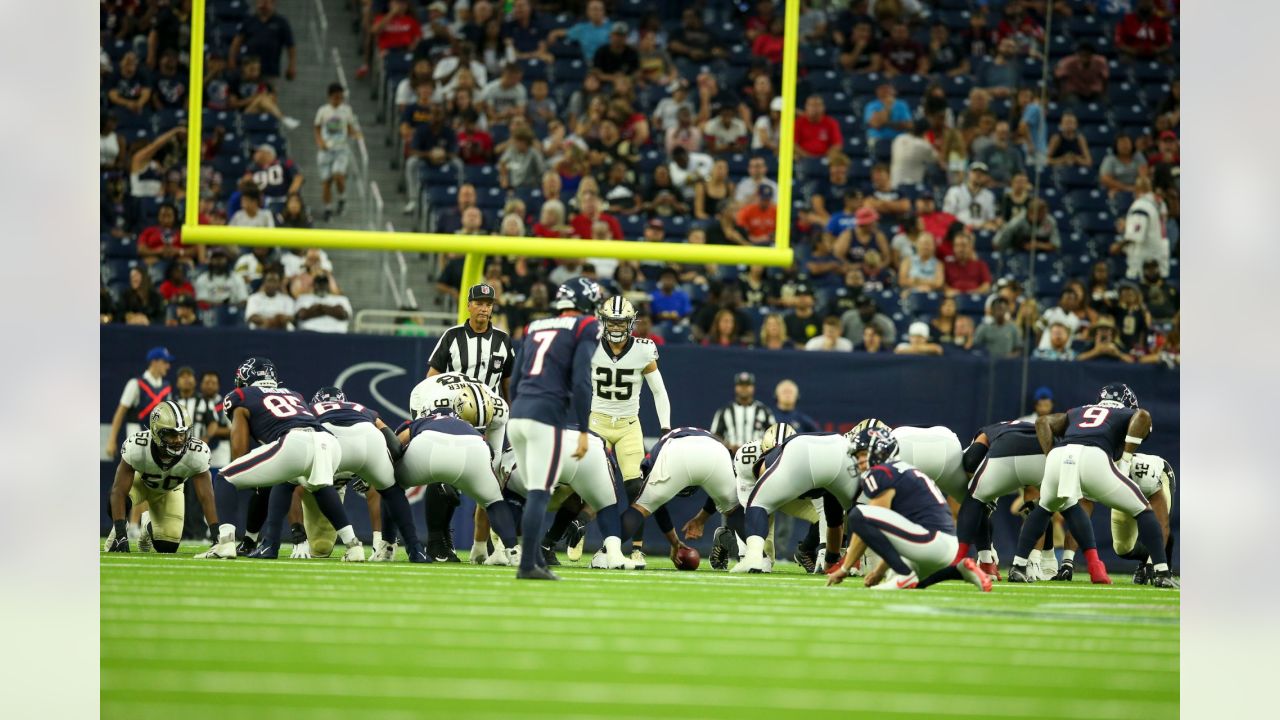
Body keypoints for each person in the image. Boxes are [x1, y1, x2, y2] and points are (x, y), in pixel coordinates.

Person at [1014, 384, 1175, 588]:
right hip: (1094, 457)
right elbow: (1142, 416)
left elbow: (1042, 421)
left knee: (1044, 508)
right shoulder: (1127, 412)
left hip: (1060, 455)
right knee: (1143, 510)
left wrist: (1050, 455)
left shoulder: (1078, 411)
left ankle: (1018, 567)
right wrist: (1125, 460)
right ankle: (1162, 572)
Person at [506, 277, 604, 580]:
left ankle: (536, 561)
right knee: (540, 491)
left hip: (518, 414)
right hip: (545, 415)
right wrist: (585, 429)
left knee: (532, 491)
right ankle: (527, 567)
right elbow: (580, 380)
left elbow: (517, 377)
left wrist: (520, 407)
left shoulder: (535, 326)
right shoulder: (585, 325)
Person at [220, 357, 363, 561]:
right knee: (319, 485)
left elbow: (239, 455)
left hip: (294, 442)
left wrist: (247, 475)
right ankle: (353, 544)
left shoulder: (240, 395)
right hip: (328, 442)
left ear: (244, 379)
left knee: (226, 476)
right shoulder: (294, 394)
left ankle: (230, 543)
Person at [827, 428, 991, 591]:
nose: (859, 461)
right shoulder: (904, 469)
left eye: (863, 454)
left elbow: (871, 524)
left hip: (928, 539)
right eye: (857, 456)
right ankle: (959, 570)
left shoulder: (881, 473)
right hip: (942, 544)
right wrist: (879, 572)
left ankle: (904, 573)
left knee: (858, 515)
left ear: (881, 450)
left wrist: (844, 568)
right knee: (909, 583)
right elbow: (891, 533)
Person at [590, 296, 672, 568]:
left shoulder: (643, 350)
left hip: (628, 424)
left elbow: (659, 391)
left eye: (620, 321)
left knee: (635, 485)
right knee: (586, 482)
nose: (615, 326)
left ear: (631, 323)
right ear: (603, 321)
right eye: (611, 321)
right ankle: (573, 532)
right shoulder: (589, 346)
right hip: (597, 421)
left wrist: (665, 428)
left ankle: (636, 548)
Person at [304, 387, 425, 562]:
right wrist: (381, 467)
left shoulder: (309, 411)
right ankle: (411, 548)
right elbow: (391, 440)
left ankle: (286, 539)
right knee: (390, 490)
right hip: (368, 439)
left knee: (293, 479)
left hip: (330, 444)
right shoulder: (361, 409)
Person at [104, 400, 235, 558]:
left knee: (167, 546)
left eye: (183, 433)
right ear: (156, 432)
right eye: (172, 434)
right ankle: (120, 527)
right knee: (114, 501)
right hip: (140, 484)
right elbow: (118, 491)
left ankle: (147, 525)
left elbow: (206, 497)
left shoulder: (197, 452)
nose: (179, 439)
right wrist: (120, 534)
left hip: (170, 490)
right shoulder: (138, 446)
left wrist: (216, 536)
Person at [954, 417, 1046, 578]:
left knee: (974, 501)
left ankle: (963, 559)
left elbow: (971, 460)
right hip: (1039, 455)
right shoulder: (1036, 428)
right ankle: (1030, 563)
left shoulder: (985, 433)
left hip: (1003, 455)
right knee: (1047, 505)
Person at [105, 347, 174, 462]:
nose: (168, 366)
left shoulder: (167, 388)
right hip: (136, 437)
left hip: (158, 441)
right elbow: (120, 413)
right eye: (165, 362)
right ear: (154, 362)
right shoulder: (135, 384)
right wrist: (111, 440)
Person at [313, 83, 362, 221]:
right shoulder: (323, 111)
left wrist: (356, 134)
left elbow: (349, 127)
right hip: (326, 150)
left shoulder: (346, 110)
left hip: (341, 149)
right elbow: (316, 128)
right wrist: (320, 142)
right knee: (326, 182)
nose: (338, 100)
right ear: (329, 97)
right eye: (335, 97)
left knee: (338, 174)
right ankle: (328, 208)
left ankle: (342, 197)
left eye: (340, 97)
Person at [1114, 177, 1170, 278]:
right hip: (1160, 253)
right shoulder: (1160, 202)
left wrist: (1118, 246)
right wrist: (1129, 224)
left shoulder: (1141, 205)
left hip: (1143, 260)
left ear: (1137, 188)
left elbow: (1135, 236)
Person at [710, 372, 776, 455]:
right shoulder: (724, 411)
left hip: (758, 458)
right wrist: (727, 446)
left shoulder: (764, 411)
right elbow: (715, 436)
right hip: (731, 458)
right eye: (741, 385)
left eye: (747, 385)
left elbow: (773, 435)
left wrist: (761, 447)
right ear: (736, 387)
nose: (744, 388)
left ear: (753, 388)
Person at [229, 0, 297, 81]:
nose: (263, 4)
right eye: (261, 1)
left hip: (270, 70)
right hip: (250, 70)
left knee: (268, 92)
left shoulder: (281, 23)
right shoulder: (249, 21)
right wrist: (232, 60)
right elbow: (236, 43)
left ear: (273, 3)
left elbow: (290, 46)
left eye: (267, 1)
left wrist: (291, 65)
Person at [942, 163, 998, 230]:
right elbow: (947, 215)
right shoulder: (954, 191)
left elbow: (991, 218)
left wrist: (984, 225)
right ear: (969, 174)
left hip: (980, 229)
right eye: (975, 172)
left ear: (986, 177)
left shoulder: (989, 196)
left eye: (981, 174)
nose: (978, 175)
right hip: (959, 229)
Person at [993, 198, 1060, 253]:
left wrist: (1038, 245)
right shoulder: (1017, 221)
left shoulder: (1050, 221)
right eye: (1041, 214)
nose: (1044, 216)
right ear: (1031, 213)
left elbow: (1056, 245)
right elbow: (997, 243)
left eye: (1045, 213)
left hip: (1043, 254)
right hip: (1017, 252)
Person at [944, 230, 992, 295]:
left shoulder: (980, 265)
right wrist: (951, 291)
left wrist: (975, 293)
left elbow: (986, 285)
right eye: (957, 245)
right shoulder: (947, 265)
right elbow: (942, 284)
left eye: (963, 245)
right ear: (953, 248)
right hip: (953, 300)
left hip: (975, 299)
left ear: (970, 247)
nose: (960, 249)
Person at [794, 95, 842, 159]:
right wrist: (807, 157)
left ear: (823, 107)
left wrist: (828, 157)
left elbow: (837, 144)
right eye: (812, 105)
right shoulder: (798, 123)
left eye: (818, 105)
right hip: (802, 158)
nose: (815, 108)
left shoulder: (831, 123)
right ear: (806, 107)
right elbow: (793, 144)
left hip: (825, 158)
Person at [865, 83, 913, 147]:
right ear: (877, 91)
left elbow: (909, 125)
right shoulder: (872, 105)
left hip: (898, 140)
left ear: (894, 91)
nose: (886, 90)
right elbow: (876, 124)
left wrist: (885, 122)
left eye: (888, 88)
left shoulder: (901, 104)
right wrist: (887, 107)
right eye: (882, 88)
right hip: (877, 139)